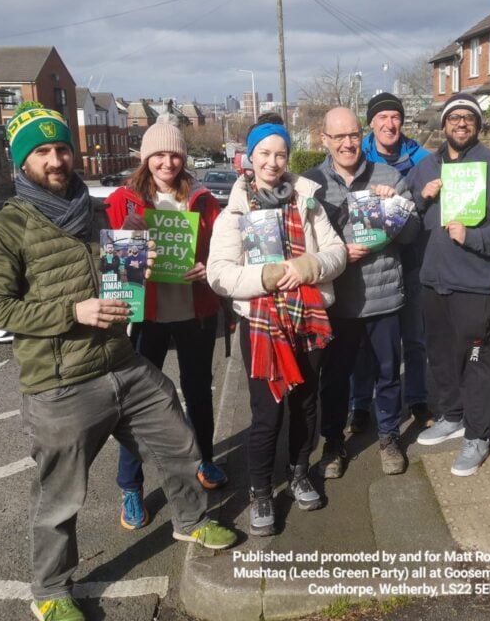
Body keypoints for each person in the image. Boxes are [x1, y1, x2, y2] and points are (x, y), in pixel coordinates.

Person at [0, 102, 234, 621]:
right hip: (60, 382)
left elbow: (122, 277)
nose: (56, 159)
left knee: (177, 437)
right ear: (22, 162)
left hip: (121, 361)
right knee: (61, 497)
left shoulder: (96, 213)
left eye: (62, 148)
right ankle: (49, 590)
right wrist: (74, 310)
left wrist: (144, 263)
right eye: (43, 152)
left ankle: (189, 518)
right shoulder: (4, 230)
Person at [207, 121, 346, 536]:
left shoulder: (308, 202)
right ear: (250, 158)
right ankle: (261, 490)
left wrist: (310, 266)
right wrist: (265, 277)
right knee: (267, 413)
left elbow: (337, 252)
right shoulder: (234, 212)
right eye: (264, 154)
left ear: (288, 157)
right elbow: (219, 275)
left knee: (306, 403)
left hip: (308, 319)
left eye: (280, 154)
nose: (272, 162)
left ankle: (300, 470)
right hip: (262, 325)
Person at [103, 118, 228, 533]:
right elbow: (115, 270)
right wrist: (126, 236)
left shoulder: (203, 198)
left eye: (174, 153)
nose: (167, 161)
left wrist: (207, 268)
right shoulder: (125, 200)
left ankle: (204, 460)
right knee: (135, 403)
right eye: (158, 154)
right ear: (146, 158)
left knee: (198, 393)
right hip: (146, 316)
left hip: (195, 311)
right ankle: (131, 487)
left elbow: (223, 254)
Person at [408, 92, 490, 476]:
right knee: (440, 355)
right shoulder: (425, 168)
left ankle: (477, 435)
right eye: (454, 117)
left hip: (476, 283)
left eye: (469, 118)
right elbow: (403, 219)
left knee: (476, 359)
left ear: (477, 125)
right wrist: (419, 198)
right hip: (433, 280)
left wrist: (475, 239)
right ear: (443, 125)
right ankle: (452, 414)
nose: (461, 123)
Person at [303, 106, 418, 478]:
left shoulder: (387, 175)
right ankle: (333, 443)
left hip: (383, 294)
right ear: (325, 140)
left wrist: (393, 209)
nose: (348, 143)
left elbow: (413, 234)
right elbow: (299, 244)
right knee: (335, 380)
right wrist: (336, 256)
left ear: (362, 135)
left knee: (388, 373)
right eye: (339, 137)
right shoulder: (310, 184)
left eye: (353, 135)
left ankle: (388, 438)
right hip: (335, 300)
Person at [354, 92, 432, 430]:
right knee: (365, 346)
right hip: (372, 266)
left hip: (413, 260)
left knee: (414, 339)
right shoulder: (359, 158)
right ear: (371, 122)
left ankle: (417, 399)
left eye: (395, 117)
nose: (390, 124)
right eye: (382, 117)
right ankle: (359, 404)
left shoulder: (423, 159)